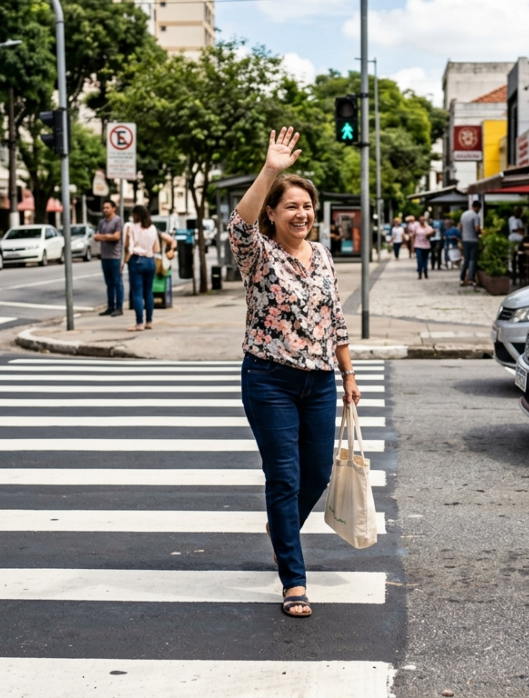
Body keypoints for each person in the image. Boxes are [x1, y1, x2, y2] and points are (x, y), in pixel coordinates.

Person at [229, 127, 360, 619]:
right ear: (272, 213)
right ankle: (294, 580)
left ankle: (280, 526)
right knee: (283, 478)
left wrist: (347, 374)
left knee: (317, 472)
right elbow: (238, 227)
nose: (301, 214)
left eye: (307, 206)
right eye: (291, 206)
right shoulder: (260, 256)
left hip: (320, 381)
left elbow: (336, 318)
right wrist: (271, 171)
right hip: (270, 380)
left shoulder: (323, 255)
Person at [123, 205, 159, 331]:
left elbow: (128, 246)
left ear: (136, 215)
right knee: (148, 292)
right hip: (150, 260)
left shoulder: (131, 227)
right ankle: (149, 321)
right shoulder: (153, 228)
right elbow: (157, 249)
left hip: (136, 260)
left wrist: (124, 261)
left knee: (137, 293)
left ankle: (139, 323)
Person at [94, 201, 124, 317]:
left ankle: (119, 307)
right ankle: (110, 306)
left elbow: (116, 237)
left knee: (117, 282)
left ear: (114, 208)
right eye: (104, 208)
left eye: (107, 207)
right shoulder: (102, 222)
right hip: (105, 256)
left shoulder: (117, 220)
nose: (105, 210)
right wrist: (107, 237)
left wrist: (103, 237)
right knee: (109, 283)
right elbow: (96, 237)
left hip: (115, 256)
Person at [458, 200, 481, 286]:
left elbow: (460, 227)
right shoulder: (475, 216)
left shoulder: (464, 214)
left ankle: (462, 278)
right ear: (477, 207)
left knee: (466, 259)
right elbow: (476, 229)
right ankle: (471, 279)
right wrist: (479, 232)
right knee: (472, 260)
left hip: (465, 239)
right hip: (473, 240)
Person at [409, 214, 432, 279]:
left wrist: (431, 233)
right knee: (419, 260)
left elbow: (431, 235)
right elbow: (412, 236)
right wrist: (412, 247)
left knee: (426, 260)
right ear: (419, 220)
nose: (422, 220)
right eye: (421, 219)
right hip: (418, 245)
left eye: (423, 219)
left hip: (426, 246)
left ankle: (425, 271)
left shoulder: (428, 227)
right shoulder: (416, 227)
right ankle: (419, 273)